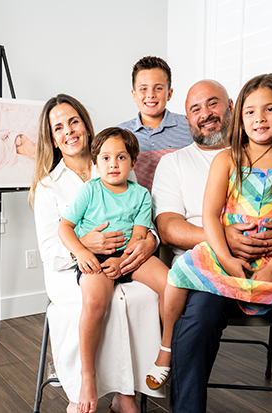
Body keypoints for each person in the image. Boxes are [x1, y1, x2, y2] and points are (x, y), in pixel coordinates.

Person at [152, 79, 272, 412]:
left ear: (229, 108)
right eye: (195, 108)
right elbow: (171, 227)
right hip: (216, 269)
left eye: (213, 103)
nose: (260, 118)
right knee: (196, 322)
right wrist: (224, 247)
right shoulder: (184, 162)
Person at [29, 95, 165, 413]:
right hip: (69, 270)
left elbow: (137, 217)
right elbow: (50, 251)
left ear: (86, 126)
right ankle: (82, 386)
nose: (69, 131)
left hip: (122, 260)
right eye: (58, 127)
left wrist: (151, 242)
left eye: (74, 121)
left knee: (139, 298)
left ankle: (126, 390)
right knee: (100, 302)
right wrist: (83, 247)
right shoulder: (48, 187)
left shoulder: (112, 162)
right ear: (52, 138)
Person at [58, 127, 169, 413]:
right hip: (95, 255)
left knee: (172, 284)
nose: (113, 164)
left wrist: (122, 263)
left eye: (121, 157)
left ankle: (163, 354)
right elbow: (65, 227)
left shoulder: (141, 194)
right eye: (106, 158)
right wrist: (82, 252)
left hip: (130, 256)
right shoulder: (89, 190)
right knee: (95, 302)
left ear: (133, 162)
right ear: (96, 164)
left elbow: (139, 234)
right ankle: (87, 376)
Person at [118, 56, 193, 192]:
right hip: (136, 211)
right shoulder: (119, 134)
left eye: (158, 88)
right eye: (143, 89)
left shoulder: (190, 126)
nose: (151, 94)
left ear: (169, 94)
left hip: (179, 210)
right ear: (134, 94)